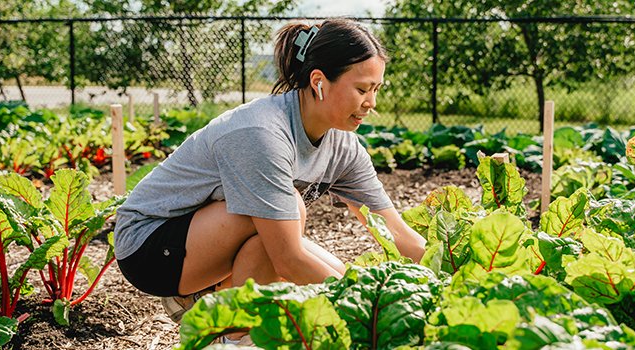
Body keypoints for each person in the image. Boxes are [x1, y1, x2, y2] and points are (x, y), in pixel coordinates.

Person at [113, 19, 426, 344]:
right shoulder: (262, 134)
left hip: (204, 237)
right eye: (362, 89)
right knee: (288, 217)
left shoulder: (344, 148)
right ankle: (236, 338)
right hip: (149, 246)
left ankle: (210, 300)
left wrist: (445, 284)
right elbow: (288, 259)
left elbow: (395, 231)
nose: (371, 103)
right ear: (319, 81)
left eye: (376, 90)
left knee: (338, 271)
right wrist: (369, 313)